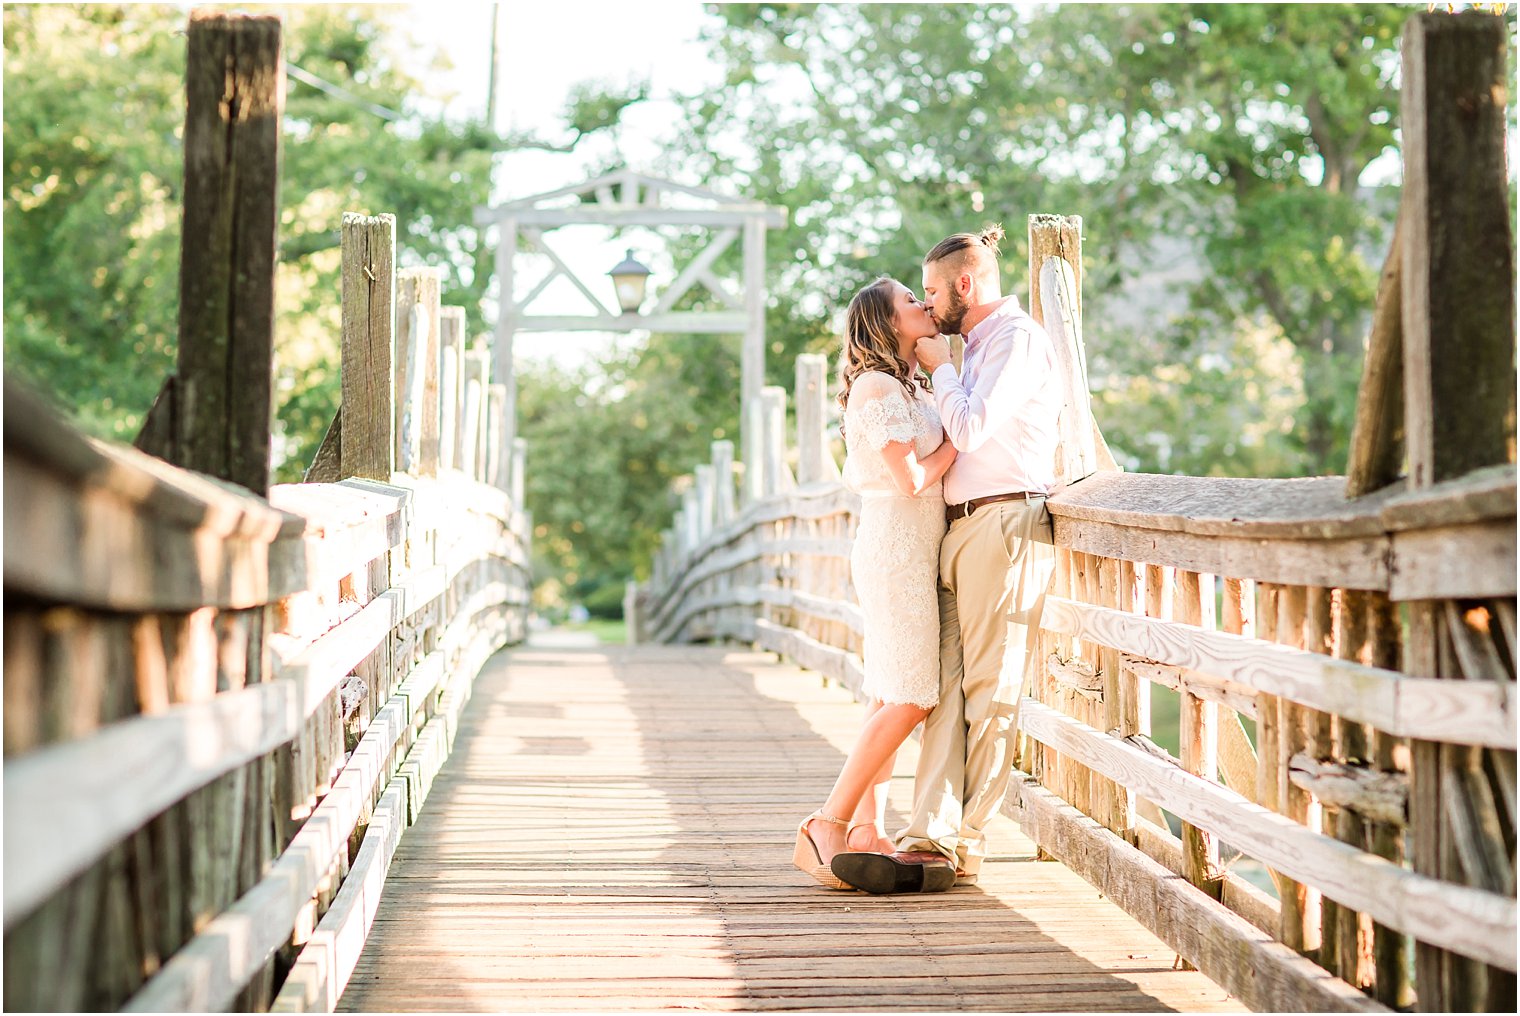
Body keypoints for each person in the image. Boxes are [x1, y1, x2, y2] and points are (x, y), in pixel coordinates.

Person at [879, 224, 1062, 889]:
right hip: (956, 531)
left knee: (991, 691)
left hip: (1004, 524)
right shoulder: (974, 346)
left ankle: (967, 843)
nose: (928, 307)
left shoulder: (1014, 341)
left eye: (932, 292)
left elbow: (973, 426)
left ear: (965, 283)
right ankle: (927, 836)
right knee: (943, 693)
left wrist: (940, 369)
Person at [792, 277, 959, 894]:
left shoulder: (901, 383)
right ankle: (827, 823)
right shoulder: (877, 386)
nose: (923, 304)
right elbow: (913, 478)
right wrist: (963, 444)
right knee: (914, 694)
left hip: (911, 546)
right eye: (910, 302)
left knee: (889, 689)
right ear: (888, 324)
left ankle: (869, 830)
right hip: (896, 547)